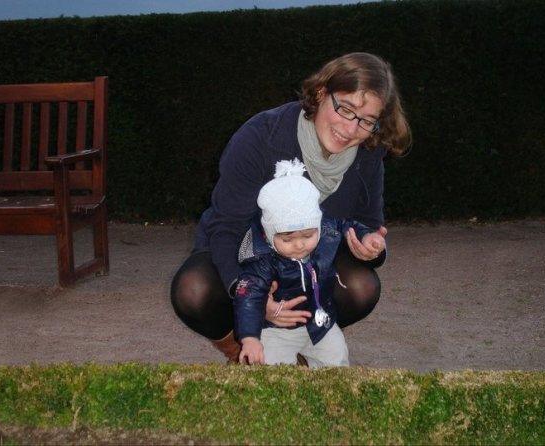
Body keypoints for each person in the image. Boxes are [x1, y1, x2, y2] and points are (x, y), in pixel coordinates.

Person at [171, 52, 411, 362]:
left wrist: (369, 247)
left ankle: (303, 342)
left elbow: (367, 223)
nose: (351, 129)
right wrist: (249, 295)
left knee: (361, 287)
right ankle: (241, 352)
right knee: (193, 290)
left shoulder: (368, 153)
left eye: (366, 121)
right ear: (321, 93)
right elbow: (227, 227)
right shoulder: (261, 136)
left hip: (311, 267)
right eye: (345, 108)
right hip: (245, 254)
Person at [235, 159, 386, 367]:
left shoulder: (326, 231)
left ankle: (330, 383)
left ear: (318, 226)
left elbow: (346, 226)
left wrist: (366, 236)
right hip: (276, 329)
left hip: (321, 322)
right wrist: (249, 338)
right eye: (287, 239)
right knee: (272, 369)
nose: (299, 244)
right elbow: (248, 297)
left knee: (336, 361)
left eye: (308, 235)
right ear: (269, 235)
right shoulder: (262, 260)